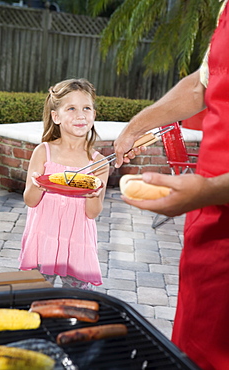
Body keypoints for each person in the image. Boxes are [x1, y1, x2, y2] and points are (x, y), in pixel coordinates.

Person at [114, 1, 229, 369]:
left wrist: (211, 190)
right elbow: (203, 83)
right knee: (192, 349)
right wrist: (137, 125)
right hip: (208, 226)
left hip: (214, 198)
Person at [19, 78, 109, 290]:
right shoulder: (43, 152)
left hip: (77, 243)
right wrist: (36, 186)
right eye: (71, 108)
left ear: (94, 115)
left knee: (77, 303)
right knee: (36, 296)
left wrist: (94, 195)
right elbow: (30, 201)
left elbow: (93, 213)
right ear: (56, 116)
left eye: (86, 108)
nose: (80, 115)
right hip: (43, 240)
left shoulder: (99, 163)